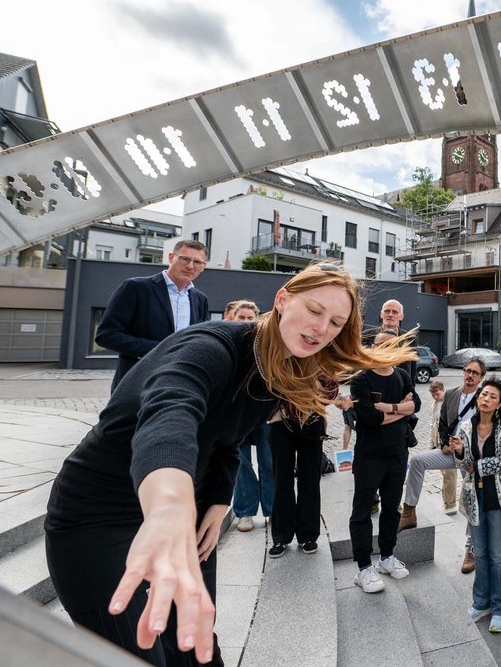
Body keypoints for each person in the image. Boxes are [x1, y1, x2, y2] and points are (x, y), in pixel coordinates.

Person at [44, 260, 413, 665]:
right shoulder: (212, 345)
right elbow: (171, 413)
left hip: (190, 513)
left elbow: (226, 435)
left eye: (336, 322)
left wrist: (219, 496)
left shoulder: (285, 366)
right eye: (314, 311)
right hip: (98, 515)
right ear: (282, 299)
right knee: (138, 654)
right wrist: (168, 507)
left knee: (198, 649)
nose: (322, 329)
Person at [347, 332, 421, 593]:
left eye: (394, 345)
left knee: (392, 508)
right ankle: (364, 567)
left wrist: (386, 408)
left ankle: (386, 557)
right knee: (362, 510)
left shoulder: (402, 375)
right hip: (369, 455)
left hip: (398, 453)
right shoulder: (361, 378)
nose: (388, 348)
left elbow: (417, 404)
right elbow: (367, 418)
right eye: (383, 344)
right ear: (373, 347)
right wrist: (400, 409)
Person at [398, 358, 484, 573]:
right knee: (417, 461)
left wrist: (470, 452)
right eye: (467, 370)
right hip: (450, 452)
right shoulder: (453, 394)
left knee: (473, 498)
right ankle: (409, 512)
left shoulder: (485, 397)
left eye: (475, 372)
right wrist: (446, 443)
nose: (470, 375)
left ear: (481, 377)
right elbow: (444, 422)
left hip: (473, 458)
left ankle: (470, 549)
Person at [95, 240, 211, 390]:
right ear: (171, 258)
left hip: (180, 384)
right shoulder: (135, 288)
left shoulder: (200, 299)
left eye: (197, 262)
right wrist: (160, 350)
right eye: (185, 259)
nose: (190, 266)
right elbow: (106, 335)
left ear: (203, 267)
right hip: (137, 384)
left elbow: (201, 341)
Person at [449, 375, 501, 634]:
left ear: (499, 404)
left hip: (497, 500)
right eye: (484, 394)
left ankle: (500, 608)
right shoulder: (467, 426)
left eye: (492, 396)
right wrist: (459, 452)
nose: (486, 399)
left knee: (497, 556)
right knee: (480, 553)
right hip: (473, 499)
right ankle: (481, 602)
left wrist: (474, 466)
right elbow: (462, 467)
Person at [267, 375, 344, 557]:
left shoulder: (319, 355)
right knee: (281, 479)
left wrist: (313, 384)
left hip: (312, 419)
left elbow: (332, 389)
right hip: (280, 420)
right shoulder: (279, 352)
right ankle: (281, 536)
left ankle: (308, 535)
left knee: (309, 478)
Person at [224, 300, 272, 533]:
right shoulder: (224, 344)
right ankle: (245, 512)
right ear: (230, 318)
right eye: (241, 317)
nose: (246, 322)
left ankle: (272, 509)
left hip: (263, 411)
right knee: (241, 462)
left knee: (269, 461)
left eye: (250, 318)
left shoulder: (264, 345)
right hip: (235, 413)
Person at [425, 380, 457, 512]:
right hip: (439, 443)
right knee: (445, 473)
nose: (435, 397)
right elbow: (433, 425)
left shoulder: (449, 403)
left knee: (449, 474)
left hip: (449, 443)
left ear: (443, 390)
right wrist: (432, 443)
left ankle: (450, 504)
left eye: (437, 394)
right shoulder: (434, 405)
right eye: (433, 395)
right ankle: (447, 501)